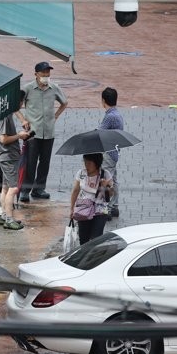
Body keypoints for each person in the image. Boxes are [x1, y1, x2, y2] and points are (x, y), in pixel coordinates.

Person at [20, 61, 68, 203]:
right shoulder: (27, 88)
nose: (46, 75)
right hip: (33, 133)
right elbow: (15, 106)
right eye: (43, 73)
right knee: (30, 162)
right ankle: (25, 190)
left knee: (45, 162)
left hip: (49, 132)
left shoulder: (54, 88)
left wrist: (56, 116)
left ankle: (39, 188)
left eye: (48, 72)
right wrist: (23, 120)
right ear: (36, 74)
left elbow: (64, 102)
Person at [0, 91, 32, 230]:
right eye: (21, 102)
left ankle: (4, 216)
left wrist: (22, 122)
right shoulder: (4, 116)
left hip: (8, 155)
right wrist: (19, 136)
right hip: (7, 156)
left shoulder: (3, 112)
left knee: (6, 187)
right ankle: (9, 219)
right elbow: (3, 139)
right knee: (13, 188)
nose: (21, 105)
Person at [70, 152, 114, 244]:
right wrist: (71, 209)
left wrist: (106, 186)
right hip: (83, 209)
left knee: (96, 239)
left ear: (96, 163)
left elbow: (111, 194)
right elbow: (75, 191)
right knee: (83, 239)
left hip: (100, 211)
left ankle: (94, 257)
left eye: (89, 163)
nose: (86, 165)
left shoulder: (105, 174)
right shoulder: (81, 173)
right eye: (85, 162)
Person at [98, 87, 124, 218]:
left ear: (103, 100)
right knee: (113, 179)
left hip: (109, 152)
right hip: (115, 151)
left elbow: (100, 132)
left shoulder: (110, 117)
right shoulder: (116, 114)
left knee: (106, 180)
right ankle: (114, 206)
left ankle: (106, 208)